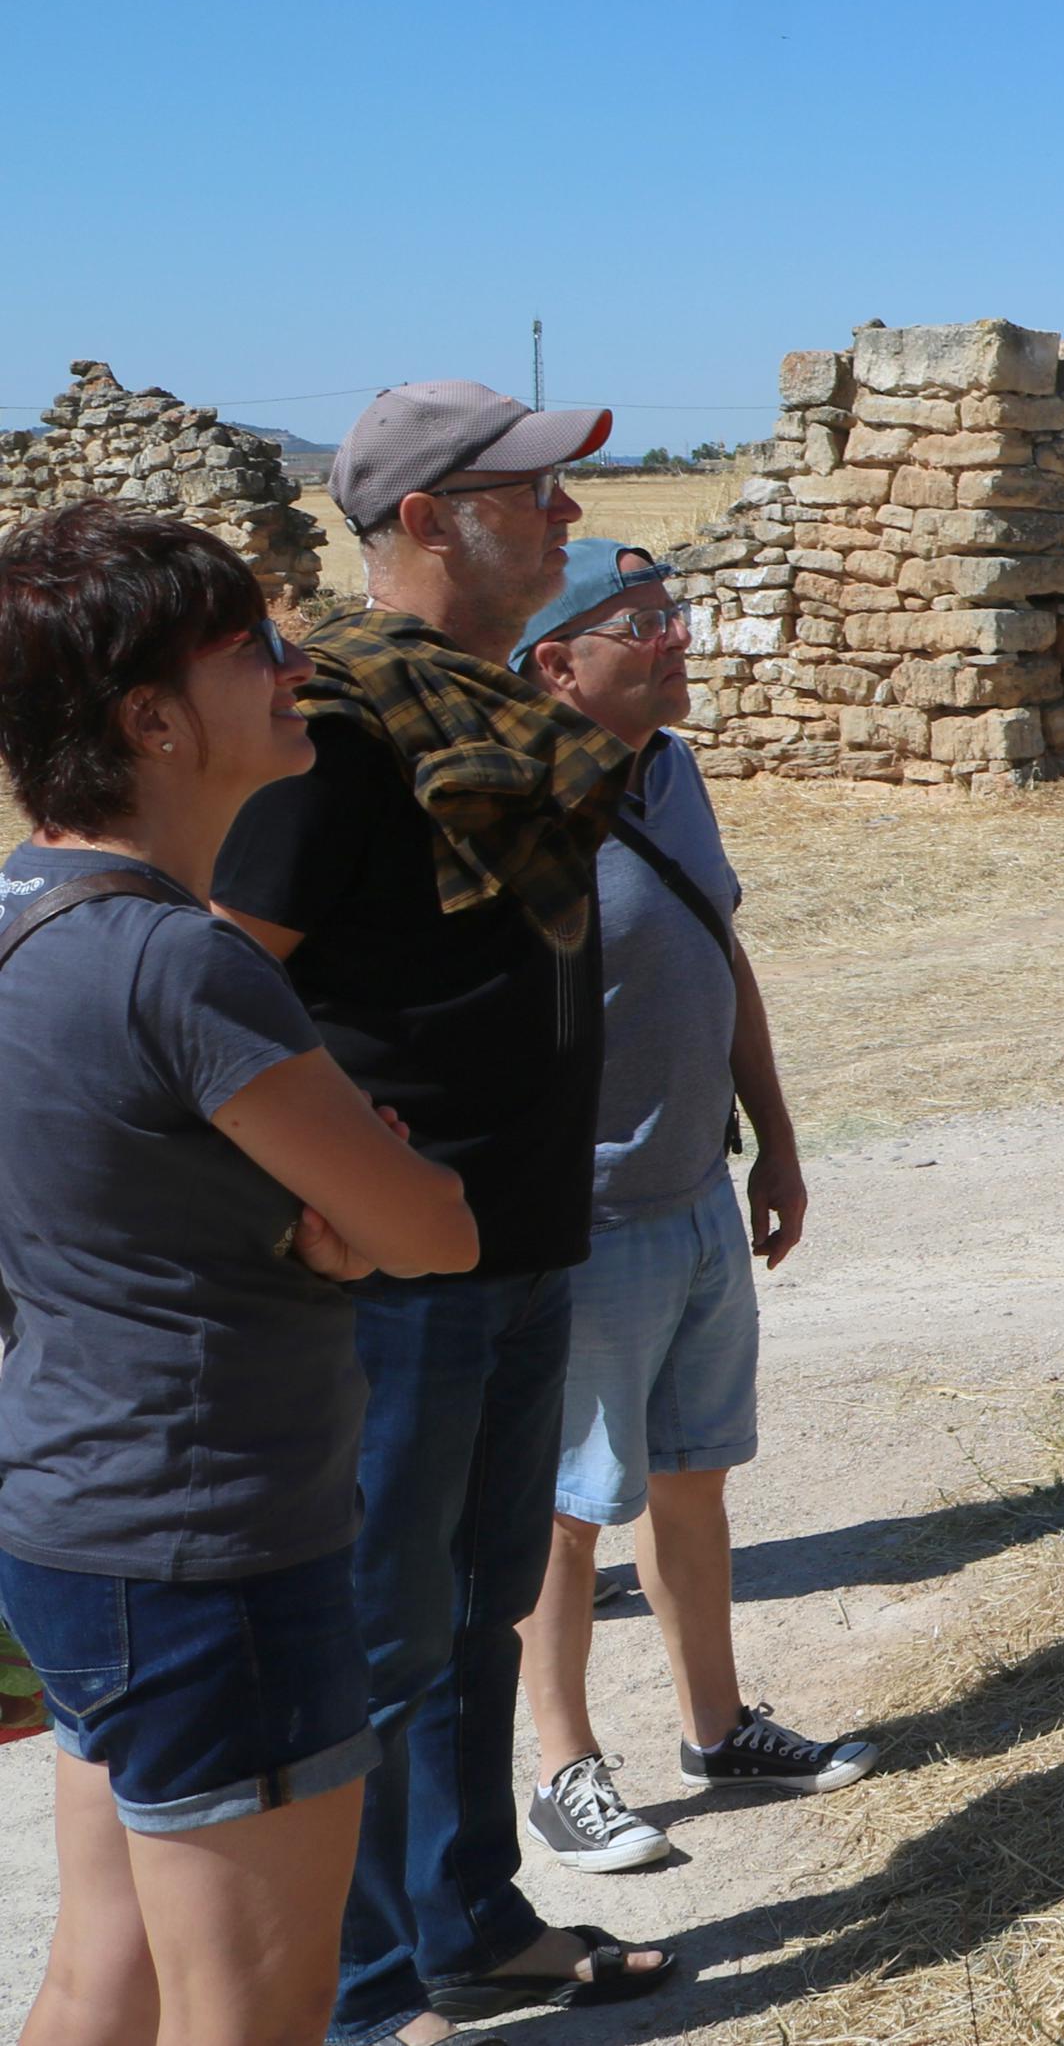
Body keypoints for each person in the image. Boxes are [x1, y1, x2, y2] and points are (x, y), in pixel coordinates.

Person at [211, 383, 679, 2041]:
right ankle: (356, 1991)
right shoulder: (327, 723)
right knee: (373, 1633)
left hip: (524, 1238)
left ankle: (467, 1926)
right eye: (534, 495)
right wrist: (330, 1188)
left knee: (476, 1612)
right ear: (428, 518)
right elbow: (221, 986)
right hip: (394, 1271)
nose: (567, 521)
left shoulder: (484, 717)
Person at [0, 500, 480, 2046]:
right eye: (247, 646)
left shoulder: (22, 919)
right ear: (148, 717)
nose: (293, 664)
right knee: (252, 2016)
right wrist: (351, 1205)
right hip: (218, 1555)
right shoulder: (180, 961)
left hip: (76, 1526)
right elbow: (433, 1228)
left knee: (103, 1973)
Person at [507, 541, 871, 1875]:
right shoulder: (510, 800)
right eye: (639, 625)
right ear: (556, 663)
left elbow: (718, 945)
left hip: (696, 1190)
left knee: (691, 1480)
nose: (674, 640)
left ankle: (715, 1727)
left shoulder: (671, 768)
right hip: (581, 1217)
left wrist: (774, 1136)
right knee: (563, 1504)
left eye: (672, 616)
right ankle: (563, 1767)